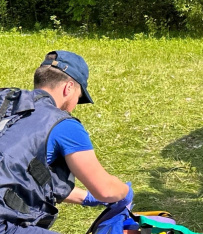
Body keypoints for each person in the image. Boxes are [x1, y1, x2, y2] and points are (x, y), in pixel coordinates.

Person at [0, 51, 133, 234]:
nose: (74, 105)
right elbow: (105, 189)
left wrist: (86, 198)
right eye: (78, 98)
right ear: (68, 88)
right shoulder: (62, 125)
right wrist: (125, 192)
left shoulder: (6, 102)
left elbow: (20, 175)